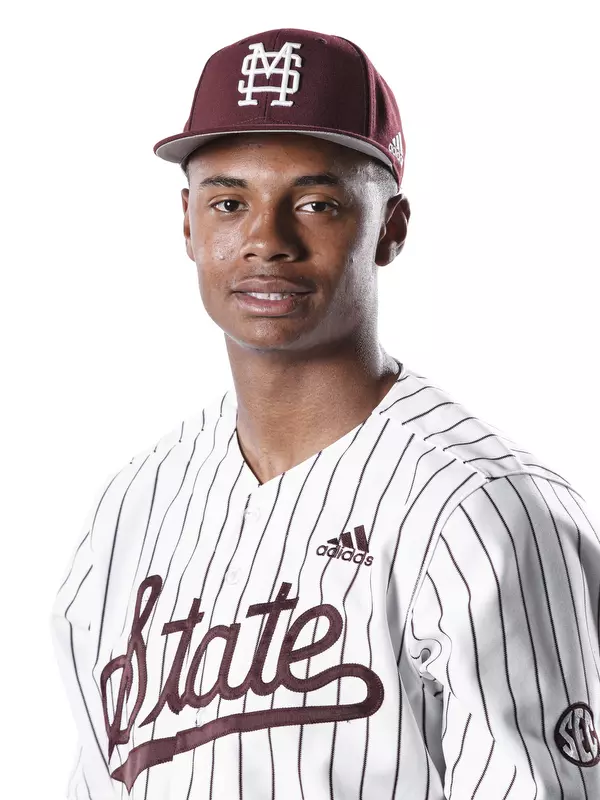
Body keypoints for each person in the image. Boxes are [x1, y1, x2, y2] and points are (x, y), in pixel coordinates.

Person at [51, 26, 600, 800]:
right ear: (188, 224)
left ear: (391, 229)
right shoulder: (131, 508)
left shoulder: (478, 509)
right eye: (229, 202)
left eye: (315, 202)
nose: (265, 241)